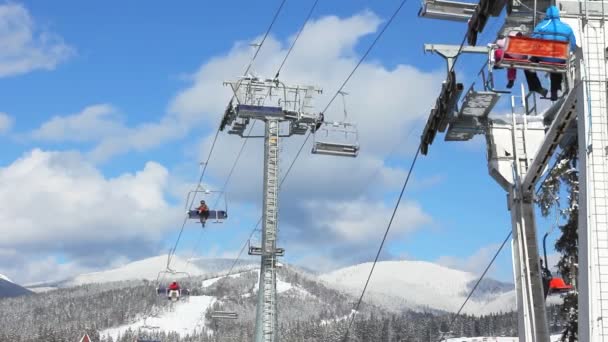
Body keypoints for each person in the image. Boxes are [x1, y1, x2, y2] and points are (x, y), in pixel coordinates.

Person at [523, 5, 577, 101]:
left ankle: (536, 87)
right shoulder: (567, 28)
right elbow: (572, 44)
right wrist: (569, 53)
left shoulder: (542, 26)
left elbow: (533, 42)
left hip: (544, 56)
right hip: (560, 57)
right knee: (557, 66)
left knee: (528, 65)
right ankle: (554, 91)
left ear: (547, 15)